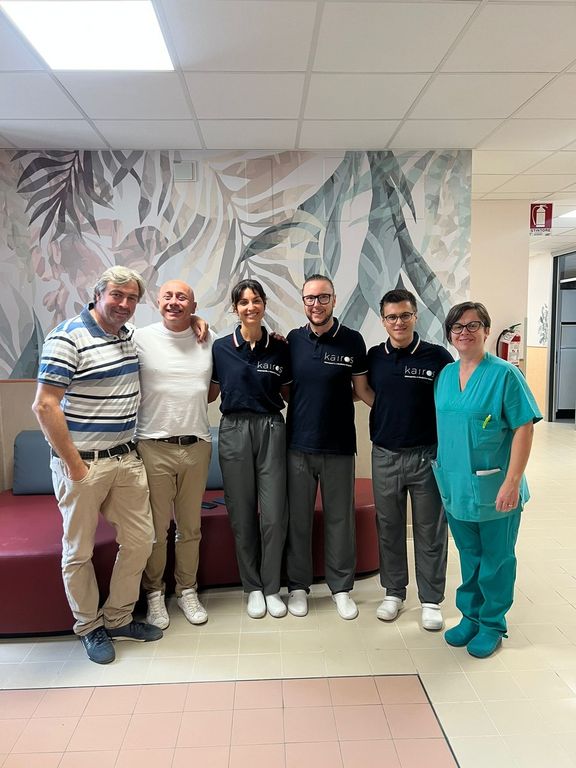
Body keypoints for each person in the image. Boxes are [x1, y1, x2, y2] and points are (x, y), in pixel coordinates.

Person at [32, 266, 162, 665]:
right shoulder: (67, 337)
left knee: (141, 541)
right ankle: (89, 626)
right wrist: (74, 466)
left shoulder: (127, 336)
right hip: (83, 465)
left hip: (126, 458)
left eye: (132, 298)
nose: (124, 304)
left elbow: (169, 331)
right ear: (98, 294)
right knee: (78, 551)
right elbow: (45, 405)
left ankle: (119, 618)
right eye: (116, 295)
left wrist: (195, 321)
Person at [433, 301, 542, 658]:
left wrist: (512, 481)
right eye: (457, 327)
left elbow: (524, 427)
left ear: (486, 330)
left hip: (496, 488)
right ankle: (471, 617)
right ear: (450, 334)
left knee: (496, 559)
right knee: (469, 557)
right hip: (456, 487)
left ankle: (492, 624)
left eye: (473, 325)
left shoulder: (505, 375)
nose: (464, 332)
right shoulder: (445, 376)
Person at [285, 274, 371, 620]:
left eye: (323, 297)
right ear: (303, 302)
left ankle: (341, 588)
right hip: (298, 446)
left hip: (339, 445)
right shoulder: (292, 340)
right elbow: (286, 389)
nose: (316, 304)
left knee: (340, 520)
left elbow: (361, 390)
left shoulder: (352, 340)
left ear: (334, 300)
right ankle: (297, 587)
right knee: (298, 520)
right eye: (310, 298)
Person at [367, 289, 453, 630]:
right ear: (383, 320)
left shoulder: (437, 357)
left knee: (430, 530)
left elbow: (450, 401)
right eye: (392, 317)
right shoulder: (374, 356)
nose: (398, 322)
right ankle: (394, 593)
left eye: (405, 315)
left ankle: (431, 600)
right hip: (385, 455)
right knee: (389, 528)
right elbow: (367, 392)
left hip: (426, 455)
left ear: (415, 316)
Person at [134, 280, 215, 629]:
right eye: (168, 296)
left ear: (193, 305)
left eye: (182, 297)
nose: (174, 302)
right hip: (153, 446)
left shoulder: (208, 338)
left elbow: (217, 386)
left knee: (190, 527)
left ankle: (187, 590)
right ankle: (155, 593)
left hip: (197, 445)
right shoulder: (139, 337)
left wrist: (199, 322)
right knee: (156, 529)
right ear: (157, 301)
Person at [210, 279, 292, 619]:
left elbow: (289, 394)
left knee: (273, 514)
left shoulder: (280, 347)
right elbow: (211, 393)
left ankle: (272, 587)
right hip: (233, 430)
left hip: (271, 427)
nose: (250, 307)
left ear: (264, 304)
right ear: (235, 308)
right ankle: (253, 587)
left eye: (256, 300)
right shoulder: (220, 348)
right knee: (241, 512)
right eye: (243, 302)